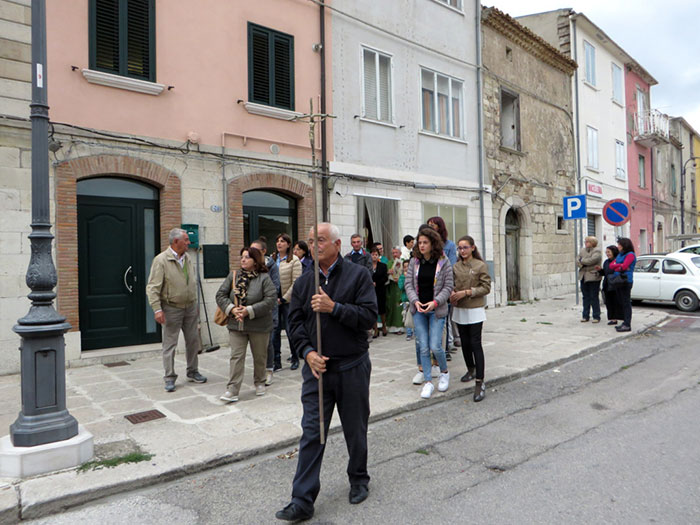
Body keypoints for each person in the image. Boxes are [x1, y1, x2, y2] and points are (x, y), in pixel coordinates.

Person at [276, 223, 377, 522]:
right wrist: (307, 353)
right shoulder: (306, 282)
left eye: (320, 240)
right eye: (310, 240)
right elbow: (294, 324)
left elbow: (369, 317)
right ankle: (302, 499)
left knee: (355, 428)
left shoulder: (359, 275)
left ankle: (359, 478)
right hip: (317, 371)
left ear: (336, 244)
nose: (315, 244)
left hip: (351, 366)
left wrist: (334, 308)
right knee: (312, 433)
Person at [146, 228, 207, 392]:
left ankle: (193, 371)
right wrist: (157, 309)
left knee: (193, 341)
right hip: (171, 308)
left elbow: (191, 282)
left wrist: (195, 304)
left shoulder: (187, 258)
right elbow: (152, 287)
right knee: (170, 344)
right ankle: (169, 377)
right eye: (186, 240)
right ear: (175, 242)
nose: (189, 242)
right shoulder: (161, 260)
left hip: (190, 307)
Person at [215, 247, 276, 402]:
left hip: (259, 326)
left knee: (260, 356)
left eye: (247, 257)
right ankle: (232, 390)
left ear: (255, 261)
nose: (243, 260)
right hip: (237, 325)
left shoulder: (264, 278)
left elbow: (270, 300)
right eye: (242, 257)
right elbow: (220, 295)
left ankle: (260, 381)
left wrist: (249, 310)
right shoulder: (233, 276)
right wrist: (232, 309)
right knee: (236, 357)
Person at [404, 227, 454, 399]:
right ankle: (428, 382)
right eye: (420, 242)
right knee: (423, 347)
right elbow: (408, 285)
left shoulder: (443, 261)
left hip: (436, 310)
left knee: (435, 346)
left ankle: (444, 372)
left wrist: (435, 302)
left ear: (433, 243)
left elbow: (448, 287)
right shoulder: (414, 261)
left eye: (426, 242)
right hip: (418, 310)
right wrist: (415, 301)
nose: (422, 245)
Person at [450, 236, 491, 402]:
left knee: (475, 343)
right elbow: (451, 283)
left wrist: (467, 292)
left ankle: (480, 381)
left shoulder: (480, 265)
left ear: (472, 248)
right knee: (465, 343)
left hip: (474, 309)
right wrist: (452, 292)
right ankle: (470, 368)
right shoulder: (456, 266)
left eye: (465, 247)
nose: (462, 251)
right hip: (460, 309)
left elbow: (486, 287)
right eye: (460, 248)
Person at [251, 238, 281, 386]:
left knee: (268, 342)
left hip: (268, 310)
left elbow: (275, 288)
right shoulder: (250, 265)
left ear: (263, 251)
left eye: (255, 250)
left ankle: (269, 369)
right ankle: (259, 370)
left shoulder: (272, 267)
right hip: (252, 311)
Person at [428, 216, 460, 352]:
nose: (431, 227)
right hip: (429, 286)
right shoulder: (427, 245)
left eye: (433, 225)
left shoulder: (449, 245)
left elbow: (451, 266)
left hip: (443, 285)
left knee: (445, 318)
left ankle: (446, 346)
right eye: (429, 224)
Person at [273, 233, 303, 370]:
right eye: (278, 241)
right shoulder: (272, 259)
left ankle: (295, 357)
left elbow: (296, 282)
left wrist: (284, 298)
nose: (279, 244)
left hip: (287, 301)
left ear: (288, 244)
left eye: (282, 241)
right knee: (275, 331)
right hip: (273, 300)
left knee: (290, 330)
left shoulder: (294, 260)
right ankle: (276, 361)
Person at [609, 237, 636, 333]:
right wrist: (619, 266)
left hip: (625, 280)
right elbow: (611, 265)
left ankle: (627, 324)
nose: (618, 246)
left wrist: (619, 266)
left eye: (619, 245)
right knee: (621, 301)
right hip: (618, 280)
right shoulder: (620, 255)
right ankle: (624, 322)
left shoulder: (630, 255)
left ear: (624, 245)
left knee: (626, 302)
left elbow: (624, 266)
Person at [578, 236, 603, 323]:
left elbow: (592, 260)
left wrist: (582, 260)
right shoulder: (582, 250)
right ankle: (585, 316)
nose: (585, 243)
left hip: (593, 276)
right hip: (583, 276)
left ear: (592, 243)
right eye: (585, 241)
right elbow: (577, 260)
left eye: (587, 241)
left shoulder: (597, 251)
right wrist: (582, 261)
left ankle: (596, 316)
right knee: (585, 297)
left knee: (594, 297)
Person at [597, 245, 623, 326]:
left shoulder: (618, 261)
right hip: (607, 284)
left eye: (609, 252)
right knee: (609, 302)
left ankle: (616, 318)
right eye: (606, 252)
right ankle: (612, 318)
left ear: (613, 252)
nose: (607, 253)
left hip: (615, 284)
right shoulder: (606, 262)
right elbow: (605, 273)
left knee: (615, 302)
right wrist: (600, 270)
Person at [370, 246, 388, 338]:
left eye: (376, 255)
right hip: (371, 290)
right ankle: (375, 329)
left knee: (382, 309)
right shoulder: (367, 266)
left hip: (380, 289)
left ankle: (384, 326)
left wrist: (377, 283)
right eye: (372, 254)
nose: (374, 256)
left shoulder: (383, 266)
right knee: (373, 309)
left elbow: (385, 278)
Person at [386, 247, 404, 334]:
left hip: (401, 288)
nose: (394, 255)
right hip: (392, 288)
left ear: (400, 253)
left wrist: (400, 279)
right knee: (392, 306)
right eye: (393, 253)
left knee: (400, 307)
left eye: (396, 253)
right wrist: (388, 273)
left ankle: (401, 327)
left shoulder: (404, 262)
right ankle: (392, 327)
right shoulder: (389, 263)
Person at [398, 259, 413, 340]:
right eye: (405, 267)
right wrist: (405, 278)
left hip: (413, 299)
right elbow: (401, 287)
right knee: (406, 316)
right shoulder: (402, 277)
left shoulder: (414, 275)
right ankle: (409, 333)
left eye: (408, 266)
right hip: (405, 299)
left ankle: (415, 331)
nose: (406, 268)